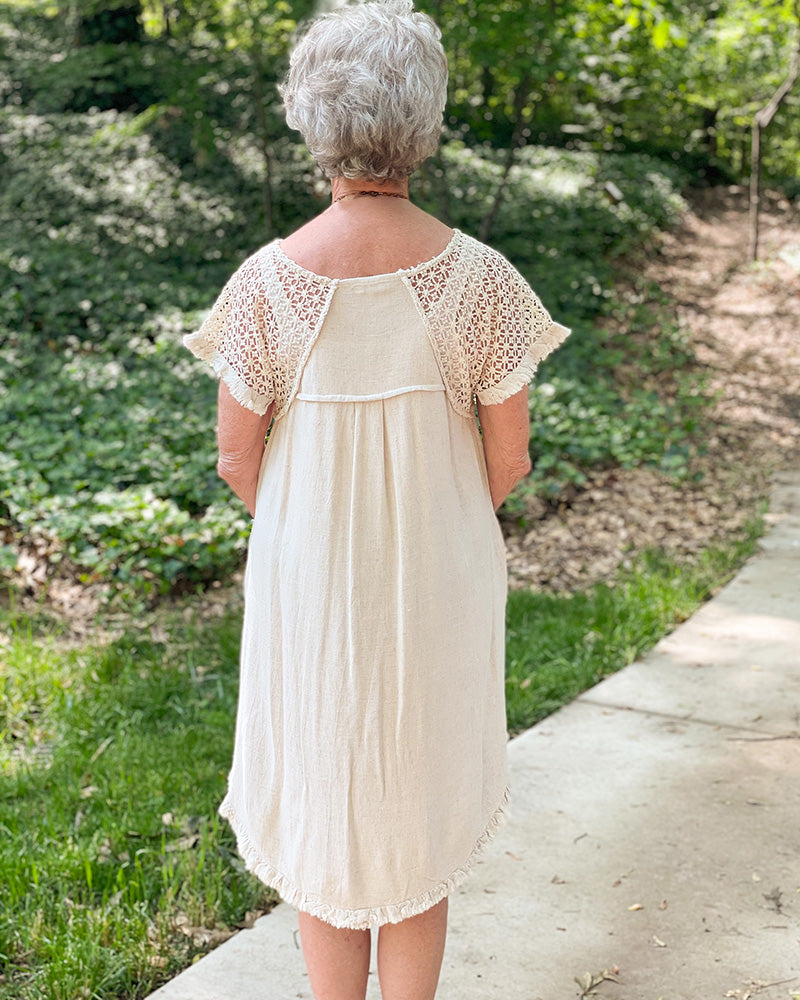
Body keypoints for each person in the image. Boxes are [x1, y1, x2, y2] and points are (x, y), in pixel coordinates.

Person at [184, 2, 569, 997]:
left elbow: (235, 457)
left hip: (309, 587)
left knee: (326, 799)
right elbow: (510, 457)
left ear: (310, 117)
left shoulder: (267, 284)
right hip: (439, 583)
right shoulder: (482, 280)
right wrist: (438, 522)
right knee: (416, 814)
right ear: (424, 120)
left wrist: (310, 530)